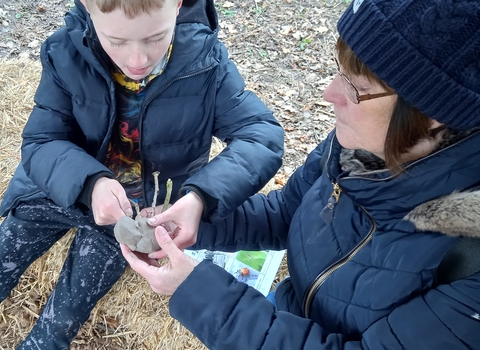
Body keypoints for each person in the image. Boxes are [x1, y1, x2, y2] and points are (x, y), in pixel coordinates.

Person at [121, 0, 480, 348]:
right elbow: (289, 210)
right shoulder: (366, 143)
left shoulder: (470, 262)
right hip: (287, 316)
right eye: (340, 72)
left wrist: (199, 294)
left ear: (434, 113)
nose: (329, 94)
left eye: (358, 88)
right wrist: (200, 218)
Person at [0, 0, 284, 348]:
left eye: (155, 37)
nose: (137, 61)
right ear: (89, 6)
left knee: (64, 316)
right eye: (117, 40)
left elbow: (261, 135)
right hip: (53, 193)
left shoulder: (205, 61)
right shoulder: (65, 51)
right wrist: (91, 184)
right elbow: (43, 140)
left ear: (178, 5)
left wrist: (201, 198)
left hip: (131, 219)